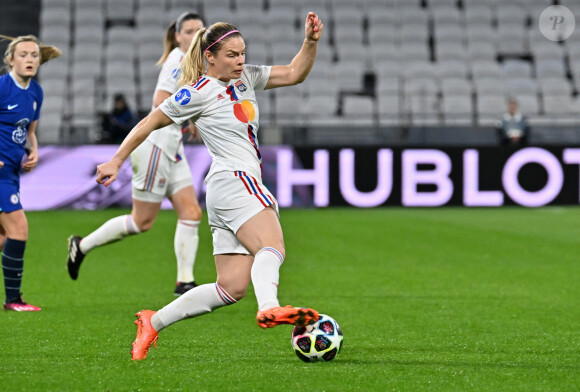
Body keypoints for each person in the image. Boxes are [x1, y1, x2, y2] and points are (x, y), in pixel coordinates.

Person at [95, 12, 324, 360]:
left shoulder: (246, 77)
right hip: (236, 179)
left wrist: (310, 42)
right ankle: (270, 307)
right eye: (232, 54)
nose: (240, 60)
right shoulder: (197, 92)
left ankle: (153, 322)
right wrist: (116, 159)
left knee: (230, 287)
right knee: (272, 246)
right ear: (210, 57)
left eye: (243, 52)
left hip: (224, 188)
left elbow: (294, 73)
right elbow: (149, 121)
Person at [67, 13, 206, 296]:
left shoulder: (191, 61)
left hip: (172, 145)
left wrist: (188, 121)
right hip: (156, 144)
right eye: (189, 31)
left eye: (199, 30)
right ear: (178, 36)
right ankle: (81, 246)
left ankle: (185, 282)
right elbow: (159, 102)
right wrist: (187, 119)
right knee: (141, 221)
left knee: (191, 211)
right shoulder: (179, 61)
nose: (194, 35)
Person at [0, 35, 60, 311]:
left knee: (3, 238)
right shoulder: (2, 87)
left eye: (34, 55)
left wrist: (33, 150)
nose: (29, 60)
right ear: (10, 59)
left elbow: (29, 131)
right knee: (19, 229)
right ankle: (13, 300)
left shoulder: (36, 91)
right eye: (23, 55)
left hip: (12, 173)